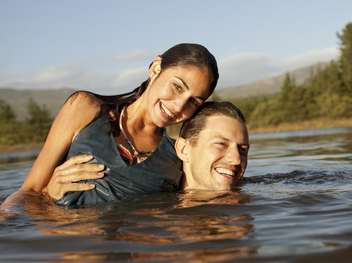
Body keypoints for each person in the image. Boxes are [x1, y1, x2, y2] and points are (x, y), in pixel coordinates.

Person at [2, 43, 219, 207]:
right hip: (71, 252)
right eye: (178, 87)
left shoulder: (178, 156)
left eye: (193, 101)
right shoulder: (85, 109)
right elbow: (28, 192)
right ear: (155, 69)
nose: (179, 105)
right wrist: (48, 195)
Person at [174, 101, 250, 191]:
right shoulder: (157, 201)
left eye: (243, 149)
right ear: (184, 150)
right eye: (221, 144)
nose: (236, 160)